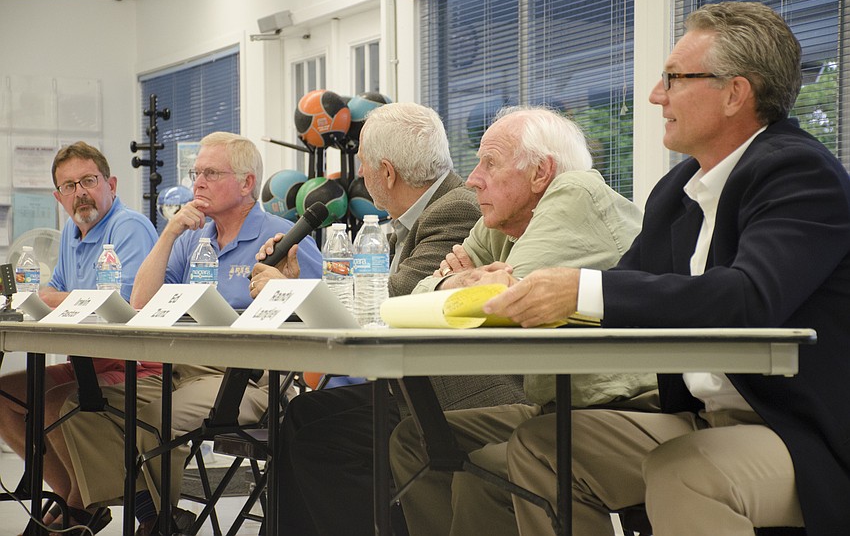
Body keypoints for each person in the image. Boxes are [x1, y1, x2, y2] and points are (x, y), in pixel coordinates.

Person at [479, 2, 850, 536]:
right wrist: (517, 289)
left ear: (734, 94)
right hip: (703, 417)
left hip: (803, 434)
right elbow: (627, 292)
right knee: (546, 447)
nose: (656, 95)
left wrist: (579, 289)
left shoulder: (799, 174)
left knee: (687, 473)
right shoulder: (677, 193)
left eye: (674, 78)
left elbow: (749, 300)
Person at [390, 105, 652, 536]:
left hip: (630, 407)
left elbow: (502, 302)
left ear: (540, 173)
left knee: (490, 467)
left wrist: (460, 284)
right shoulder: (503, 220)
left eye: (489, 163)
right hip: (557, 405)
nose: (473, 178)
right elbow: (417, 300)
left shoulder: (576, 192)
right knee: (417, 440)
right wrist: (451, 285)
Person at [251, 102, 509, 536]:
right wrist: (296, 283)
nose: (359, 176)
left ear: (386, 173)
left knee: (319, 443)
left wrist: (288, 290)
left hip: (452, 394)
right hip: (414, 387)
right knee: (302, 415)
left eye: (364, 164)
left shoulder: (454, 209)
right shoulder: (413, 216)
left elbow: (389, 303)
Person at [59, 132, 323, 536]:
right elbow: (141, 305)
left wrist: (284, 290)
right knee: (81, 411)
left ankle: (161, 524)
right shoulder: (194, 237)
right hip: (181, 367)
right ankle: (157, 516)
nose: (197, 183)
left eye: (211, 173)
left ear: (247, 183)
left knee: (152, 419)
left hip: (249, 377)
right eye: (195, 172)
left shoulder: (284, 235)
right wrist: (168, 234)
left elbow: (321, 317)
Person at [0, 141, 160, 535]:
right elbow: (47, 295)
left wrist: (45, 297)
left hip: (138, 367)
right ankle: (75, 497)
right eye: (69, 186)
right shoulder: (72, 233)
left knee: (57, 403)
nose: (80, 192)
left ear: (111, 184)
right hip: (87, 363)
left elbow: (122, 304)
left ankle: (80, 508)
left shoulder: (129, 227)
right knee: (5, 398)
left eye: (88, 180)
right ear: (58, 196)